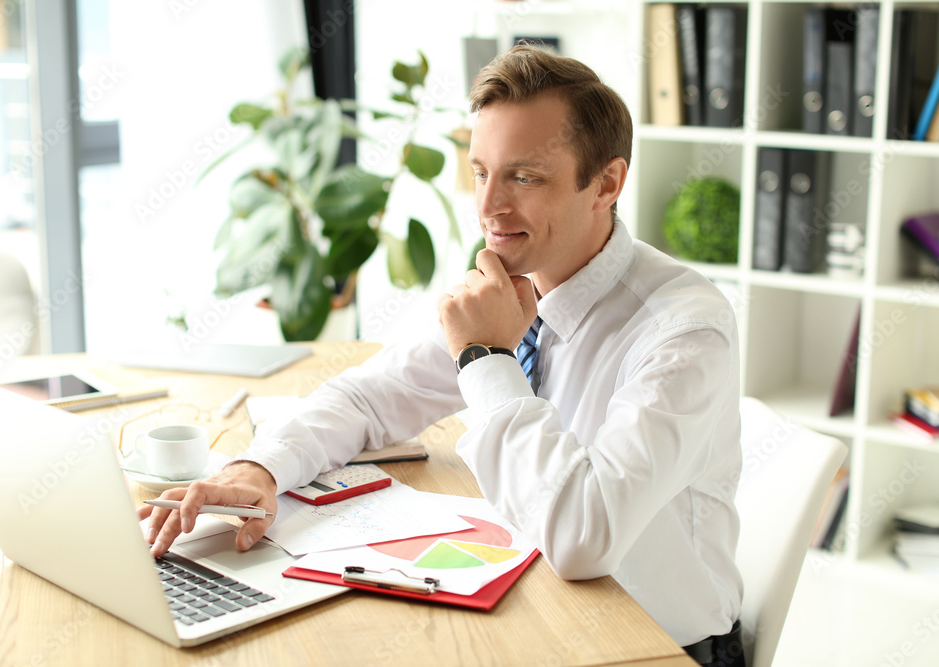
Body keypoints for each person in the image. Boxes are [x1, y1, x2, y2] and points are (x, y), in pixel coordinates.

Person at [140, 44, 745, 667]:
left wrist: (485, 356)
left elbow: (581, 537)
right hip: (541, 613)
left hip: (659, 646)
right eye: (482, 172)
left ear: (606, 184)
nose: (487, 209)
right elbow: (368, 396)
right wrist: (259, 468)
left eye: (525, 177)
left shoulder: (685, 330)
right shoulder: (518, 282)